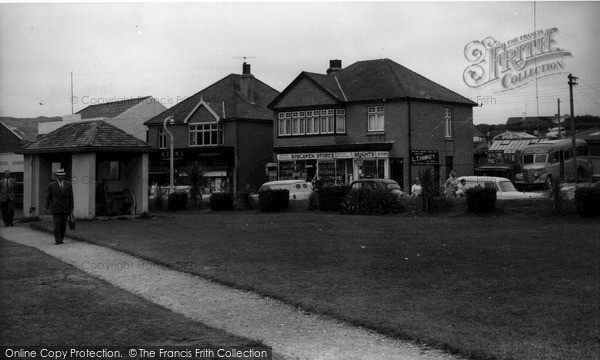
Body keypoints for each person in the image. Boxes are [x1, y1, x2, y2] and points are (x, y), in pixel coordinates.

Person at [44, 168, 74, 245]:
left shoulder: (68, 184)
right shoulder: (52, 185)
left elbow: (71, 197)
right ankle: (58, 240)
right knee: (57, 224)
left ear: (64, 176)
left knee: (63, 224)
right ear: (57, 176)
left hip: (65, 208)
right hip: (56, 208)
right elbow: (48, 197)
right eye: (59, 176)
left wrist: (71, 208)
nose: (60, 177)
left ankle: (61, 238)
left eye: (62, 175)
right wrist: (46, 207)